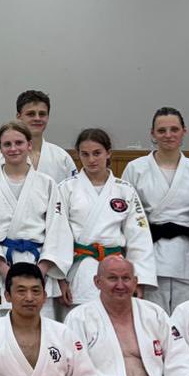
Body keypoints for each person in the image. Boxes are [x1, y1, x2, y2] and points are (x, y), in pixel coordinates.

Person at [0, 121, 72, 317]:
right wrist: (4, 269)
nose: (13, 149)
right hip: (1, 266)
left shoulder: (47, 184)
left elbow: (58, 229)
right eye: (7, 144)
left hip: (38, 265)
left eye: (19, 143)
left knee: (40, 326)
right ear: (0, 148)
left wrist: (41, 269)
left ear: (29, 145)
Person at [121, 108, 189, 314]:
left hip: (187, 258)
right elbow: (125, 217)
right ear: (152, 133)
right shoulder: (135, 169)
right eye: (162, 130)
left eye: (174, 129)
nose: (168, 135)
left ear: (184, 131)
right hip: (148, 256)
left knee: (187, 320)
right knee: (151, 320)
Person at [59, 128, 156, 308]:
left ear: (108, 153)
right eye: (85, 154)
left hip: (116, 270)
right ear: (78, 155)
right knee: (79, 320)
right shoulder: (66, 188)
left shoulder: (125, 190)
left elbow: (139, 236)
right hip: (80, 270)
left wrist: (139, 278)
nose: (91, 159)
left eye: (97, 153)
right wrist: (59, 278)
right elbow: (58, 235)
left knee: (116, 319)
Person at [0, 90, 75, 184]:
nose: (37, 118)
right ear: (18, 117)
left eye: (42, 114)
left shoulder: (62, 158)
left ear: (48, 117)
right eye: (31, 114)